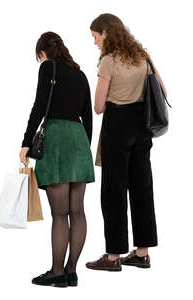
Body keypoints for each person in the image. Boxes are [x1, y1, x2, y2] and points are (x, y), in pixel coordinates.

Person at [86, 13, 167, 271]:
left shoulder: (108, 61)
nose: (95, 42)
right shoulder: (142, 55)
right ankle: (142, 253)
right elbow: (163, 92)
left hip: (118, 125)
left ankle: (112, 257)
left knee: (114, 190)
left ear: (106, 33)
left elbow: (98, 107)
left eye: (96, 37)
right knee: (142, 187)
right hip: (142, 126)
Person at [19, 31, 95, 287]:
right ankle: (71, 270)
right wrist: (85, 147)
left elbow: (39, 106)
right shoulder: (81, 74)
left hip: (57, 139)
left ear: (43, 52)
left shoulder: (48, 68)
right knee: (78, 211)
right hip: (79, 139)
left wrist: (26, 143)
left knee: (60, 215)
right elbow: (88, 115)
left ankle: (56, 272)